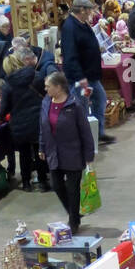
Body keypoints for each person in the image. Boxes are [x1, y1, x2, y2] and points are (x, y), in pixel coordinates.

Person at [39, 71, 95, 232]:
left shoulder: (74, 105)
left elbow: (85, 131)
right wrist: (42, 146)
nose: (45, 89)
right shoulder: (46, 103)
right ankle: (74, 213)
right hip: (53, 152)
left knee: (73, 189)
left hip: (73, 153)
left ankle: (73, 222)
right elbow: (43, 126)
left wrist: (89, 155)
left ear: (58, 87)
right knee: (56, 185)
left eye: (48, 86)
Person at [61, 0, 112, 145]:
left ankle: (98, 132)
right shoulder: (70, 27)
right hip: (81, 79)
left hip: (90, 76)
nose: (91, 13)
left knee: (100, 99)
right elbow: (70, 55)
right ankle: (84, 139)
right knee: (81, 107)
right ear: (81, 10)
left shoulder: (81, 23)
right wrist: (79, 77)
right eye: (89, 10)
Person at [0, 47, 52, 190]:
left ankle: (26, 183)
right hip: (37, 121)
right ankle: (43, 181)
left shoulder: (7, 85)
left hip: (19, 125)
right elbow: (47, 96)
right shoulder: (37, 76)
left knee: (24, 154)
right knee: (39, 151)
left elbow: (4, 109)